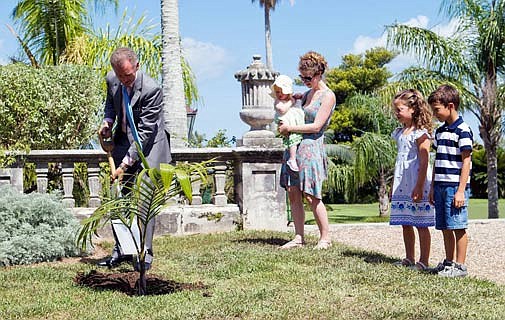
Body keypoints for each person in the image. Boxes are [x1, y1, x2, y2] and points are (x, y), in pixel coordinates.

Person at [97, 47, 171, 269]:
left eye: (128, 76)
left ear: (137, 66)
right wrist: (107, 122)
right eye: (120, 76)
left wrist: (125, 164)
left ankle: (145, 253)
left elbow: (145, 134)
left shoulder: (151, 89)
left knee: (146, 200)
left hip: (150, 147)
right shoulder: (113, 79)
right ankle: (122, 250)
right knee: (121, 198)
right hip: (123, 139)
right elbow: (111, 104)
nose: (124, 81)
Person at [278, 51, 335, 250]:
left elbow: (316, 126)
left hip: (311, 147)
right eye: (302, 78)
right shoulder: (307, 94)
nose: (305, 81)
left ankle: (325, 237)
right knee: (294, 193)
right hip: (295, 146)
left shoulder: (328, 96)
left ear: (319, 73)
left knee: (312, 195)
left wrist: (289, 128)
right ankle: (299, 236)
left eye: (308, 78)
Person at [428, 84, 473, 277]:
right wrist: (432, 187)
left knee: (458, 226)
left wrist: (461, 190)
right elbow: (437, 160)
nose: (435, 114)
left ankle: (460, 266)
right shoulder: (439, 132)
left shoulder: (462, 130)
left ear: (450, 106)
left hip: (455, 186)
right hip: (440, 185)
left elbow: (467, 161)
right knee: (445, 225)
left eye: (437, 110)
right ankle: (449, 262)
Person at [390, 89, 435, 271]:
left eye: (400, 109)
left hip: (417, 181)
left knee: (420, 223)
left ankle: (423, 261)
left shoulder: (421, 134)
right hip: (403, 182)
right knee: (406, 221)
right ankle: (409, 257)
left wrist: (419, 185)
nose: (397, 114)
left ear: (413, 109)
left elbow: (424, 162)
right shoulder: (400, 132)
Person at [270, 75, 304, 172]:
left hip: (293, 122)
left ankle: (293, 158)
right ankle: (292, 159)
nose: (279, 94)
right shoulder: (278, 101)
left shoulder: (290, 99)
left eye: (282, 91)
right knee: (292, 138)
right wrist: (291, 102)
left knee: (296, 136)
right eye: (277, 92)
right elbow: (282, 109)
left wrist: (295, 99)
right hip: (285, 121)